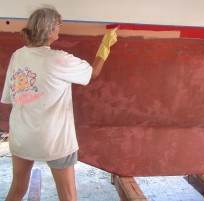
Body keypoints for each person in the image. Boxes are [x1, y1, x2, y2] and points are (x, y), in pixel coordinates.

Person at [1, 6, 117, 201]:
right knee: (68, 196)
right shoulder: (58, 59)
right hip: (54, 140)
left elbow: (12, 97)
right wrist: (105, 45)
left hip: (22, 136)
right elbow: (92, 73)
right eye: (58, 24)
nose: (60, 28)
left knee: (17, 189)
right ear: (48, 30)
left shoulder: (17, 55)